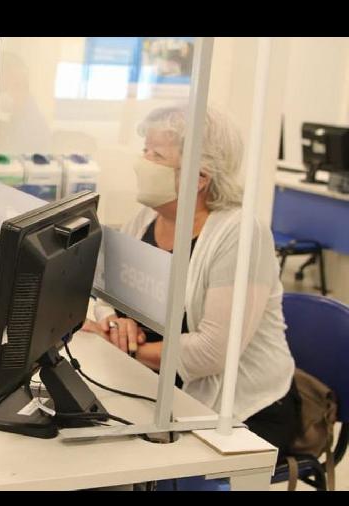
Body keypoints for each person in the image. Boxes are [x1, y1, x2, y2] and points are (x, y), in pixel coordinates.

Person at [83, 105, 300, 455]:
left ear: (199, 176)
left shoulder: (240, 234)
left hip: (239, 409)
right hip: (156, 384)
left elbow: (213, 352)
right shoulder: (145, 218)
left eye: (157, 155)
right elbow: (108, 293)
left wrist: (125, 349)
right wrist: (112, 322)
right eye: (145, 150)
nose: (143, 162)